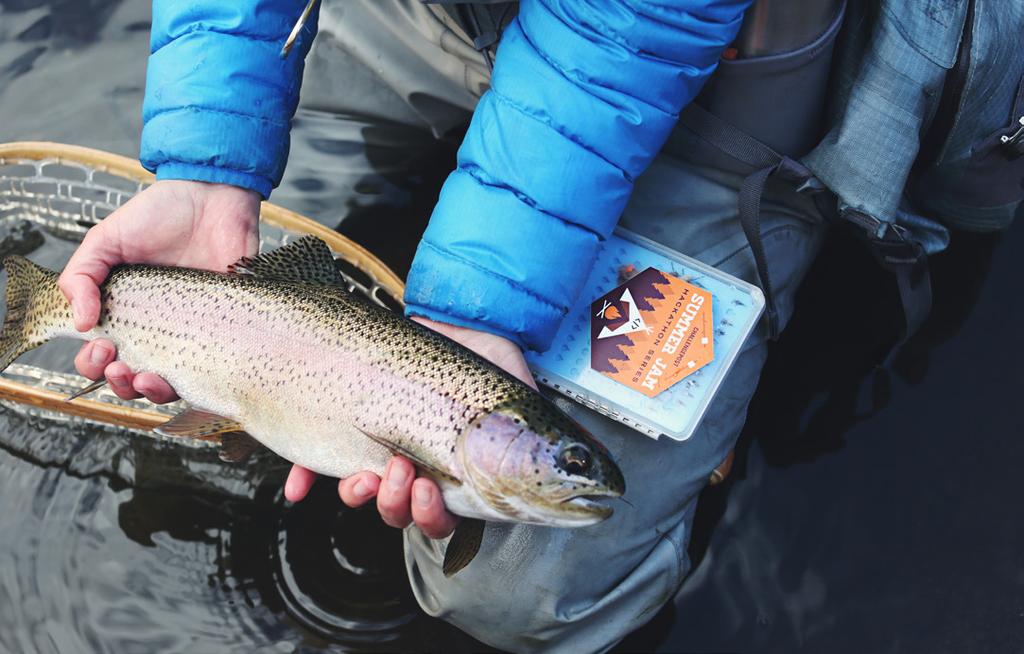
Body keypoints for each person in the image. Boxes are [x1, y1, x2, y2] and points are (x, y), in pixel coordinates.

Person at [53, 1, 878, 651]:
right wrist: (205, 160)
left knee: (518, 594)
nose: (567, 468)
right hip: (446, 17)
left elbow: (623, 33)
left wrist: (476, 310)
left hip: (699, 85)